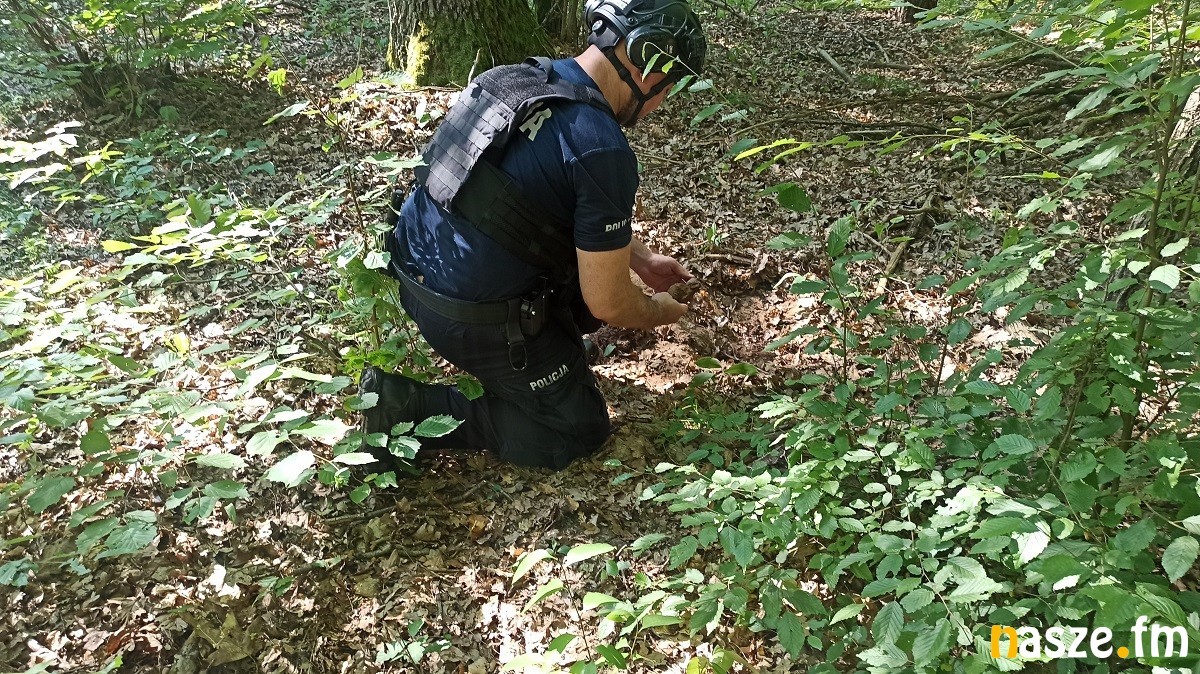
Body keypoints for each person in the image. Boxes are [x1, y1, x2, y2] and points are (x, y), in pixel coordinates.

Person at [360, 0, 707, 470]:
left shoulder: (511, 79)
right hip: (468, 318)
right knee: (577, 429)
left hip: (413, 275)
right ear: (650, 68)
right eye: (669, 86)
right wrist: (657, 312)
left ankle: (539, 360)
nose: (662, 102)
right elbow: (609, 303)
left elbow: (521, 204)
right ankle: (405, 408)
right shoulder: (601, 147)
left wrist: (641, 261)